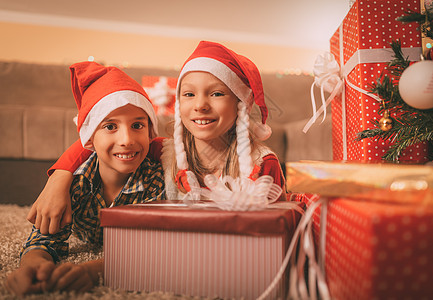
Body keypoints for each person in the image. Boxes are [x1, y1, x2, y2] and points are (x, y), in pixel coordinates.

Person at [27, 41, 287, 235]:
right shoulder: (168, 152)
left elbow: (278, 232)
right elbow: (99, 144)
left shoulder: (261, 164)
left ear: (240, 104)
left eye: (216, 94)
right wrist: (59, 179)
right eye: (188, 94)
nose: (200, 105)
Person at [5, 61, 165, 296]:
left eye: (137, 125)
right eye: (110, 126)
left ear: (150, 132)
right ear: (89, 140)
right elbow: (43, 242)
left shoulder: (157, 179)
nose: (127, 139)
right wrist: (34, 268)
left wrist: (94, 271)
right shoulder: (75, 185)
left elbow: (156, 250)